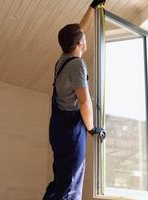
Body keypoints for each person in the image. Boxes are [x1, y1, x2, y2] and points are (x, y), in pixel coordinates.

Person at [43, 1, 107, 199]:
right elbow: (85, 102)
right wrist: (92, 128)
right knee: (70, 184)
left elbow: (79, 30)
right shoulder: (77, 65)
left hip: (57, 130)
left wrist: (92, 7)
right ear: (80, 44)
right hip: (71, 132)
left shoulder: (61, 60)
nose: (85, 36)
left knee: (61, 180)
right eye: (83, 37)